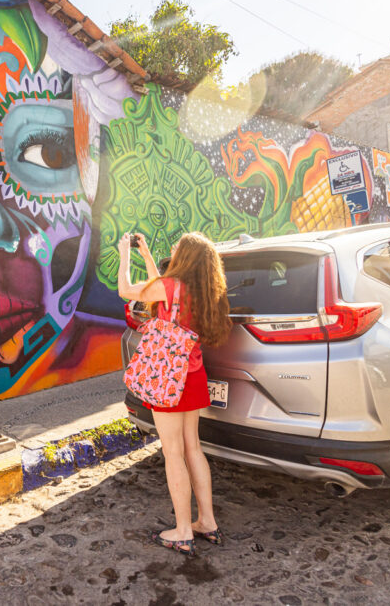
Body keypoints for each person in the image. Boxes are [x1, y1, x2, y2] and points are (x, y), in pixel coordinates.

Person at [117, 231, 233, 555]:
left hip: (168, 377)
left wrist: (125, 253)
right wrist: (148, 257)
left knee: (173, 452)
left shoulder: (170, 287)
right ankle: (206, 521)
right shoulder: (203, 290)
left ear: (186, 255)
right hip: (193, 374)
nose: (173, 248)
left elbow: (128, 291)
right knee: (192, 447)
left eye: (177, 246)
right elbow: (162, 292)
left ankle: (182, 530)